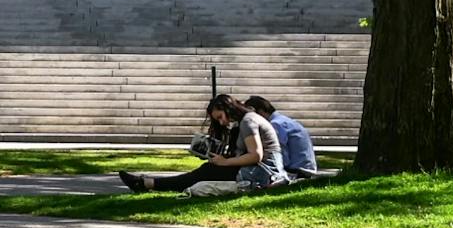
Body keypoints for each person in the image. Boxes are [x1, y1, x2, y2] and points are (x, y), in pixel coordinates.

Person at [118, 95, 284, 193]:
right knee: (207, 169)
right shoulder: (242, 123)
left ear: (227, 108)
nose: (221, 122)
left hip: (261, 173)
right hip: (256, 170)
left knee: (205, 171)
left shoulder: (248, 121)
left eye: (220, 117)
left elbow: (256, 155)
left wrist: (225, 162)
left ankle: (148, 183)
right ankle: (148, 183)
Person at [244, 94, 319, 177]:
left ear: (260, 112)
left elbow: (280, 155)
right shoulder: (284, 121)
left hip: (297, 171)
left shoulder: (276, 125)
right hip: (305, 168)